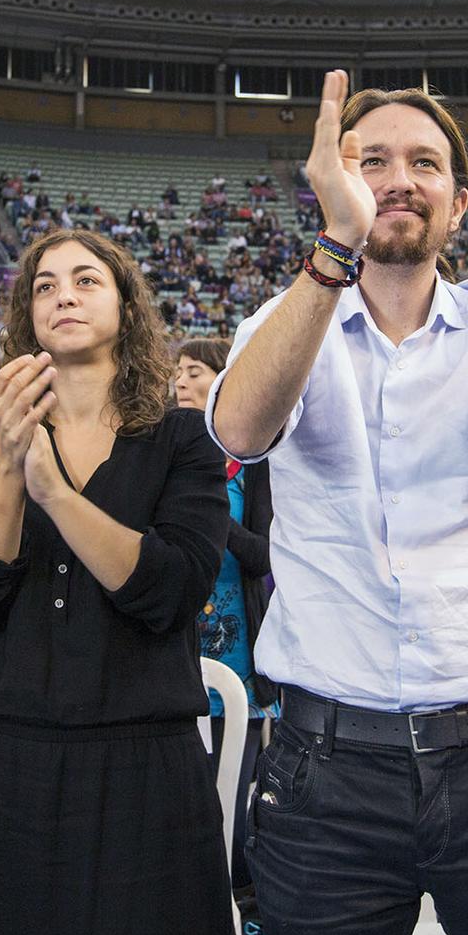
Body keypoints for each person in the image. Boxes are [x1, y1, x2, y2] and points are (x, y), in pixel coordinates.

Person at [208, 61, 468, 935]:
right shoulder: (282, 320)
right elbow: (240, 432)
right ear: (336, 181)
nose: (397, 180)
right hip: (326, 772)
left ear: (458, 203)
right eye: (372, 160)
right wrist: (336, 244)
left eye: (425, 163)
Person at [0, 230, 233, 935]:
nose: (63, 295)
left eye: (86, 280)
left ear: (127, 308)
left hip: (144, 767)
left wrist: (57, 495)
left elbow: (172, 592)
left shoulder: (186, 438)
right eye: (45, 286)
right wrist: (11, 459)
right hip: (2, 760)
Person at [176, 335, 275, 900]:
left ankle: (237, 906)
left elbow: (266, 555)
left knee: (230, 803)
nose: (181, 381)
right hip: (173, 659)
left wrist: (218, 520)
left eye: (194, 371)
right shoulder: (166, 452)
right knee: (179, 804)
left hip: (237, 661)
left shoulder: (255, 468)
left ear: (224, 380)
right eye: (178, 372)